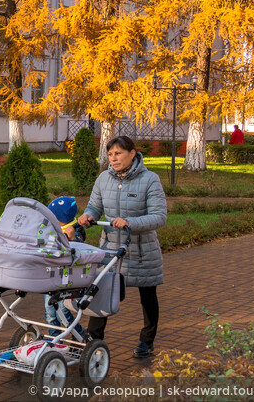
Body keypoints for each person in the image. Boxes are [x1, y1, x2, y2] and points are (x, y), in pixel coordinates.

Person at [77, 135, 167, 359]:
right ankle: (94, 342)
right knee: (99, 292)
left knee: (147, 297)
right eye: (110, 154)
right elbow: (95, 207)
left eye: (118, 153)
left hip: (142, 251)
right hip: (110, 250)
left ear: (132, 154)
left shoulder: (150, 180)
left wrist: (131, 223)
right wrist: (88, 216)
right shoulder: (103, 179)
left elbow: (159, 217)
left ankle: (147, 342)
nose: (113, 158)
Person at [44, 197, 85, 337]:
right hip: (50, 277)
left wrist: (72, 238)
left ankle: (81, 336)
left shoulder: (75, 230)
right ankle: (54, 340)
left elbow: (80, 249)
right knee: (50, 312)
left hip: (67, 279)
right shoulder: (51, 227)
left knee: (64, 313)